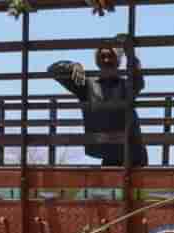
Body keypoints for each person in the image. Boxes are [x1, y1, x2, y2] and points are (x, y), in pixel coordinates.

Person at [48, 38, 148, 167]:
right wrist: (71, 65)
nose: (106, 60)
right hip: (109, 154)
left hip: (134, 154)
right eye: (103, 56)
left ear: (118, 61)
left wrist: (130, 54)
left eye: (110, 56)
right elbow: (52, 70)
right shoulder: (87, 85)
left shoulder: (126, 85)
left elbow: (138, 80)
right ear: (97, 61)